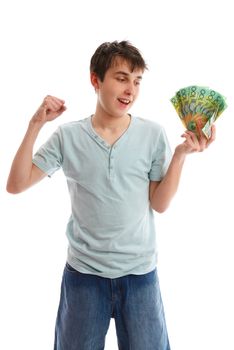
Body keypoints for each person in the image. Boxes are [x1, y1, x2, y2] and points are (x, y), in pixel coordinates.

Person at [6, 40, 215, 350]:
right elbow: (16, 183)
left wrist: (181, 155)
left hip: (140, 275)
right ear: (96, 80)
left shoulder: (153, 134)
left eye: (137, 80)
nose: (130, 88)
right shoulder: (68, 136)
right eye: (121, 78)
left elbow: (159, 204)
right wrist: (35, 124)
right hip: (84, 276)